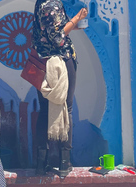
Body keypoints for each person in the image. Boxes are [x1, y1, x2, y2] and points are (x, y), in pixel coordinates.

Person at [32, 0, 88, 177]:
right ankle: (65, 162)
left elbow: (51, 29)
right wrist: (79, 16)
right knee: (67, 108)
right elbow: (57, 38)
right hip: (60, 63)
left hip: (41, 63)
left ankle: (42, 162)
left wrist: (72, 25)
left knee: (44, 111)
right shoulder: (52, 4)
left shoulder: (42, 3)